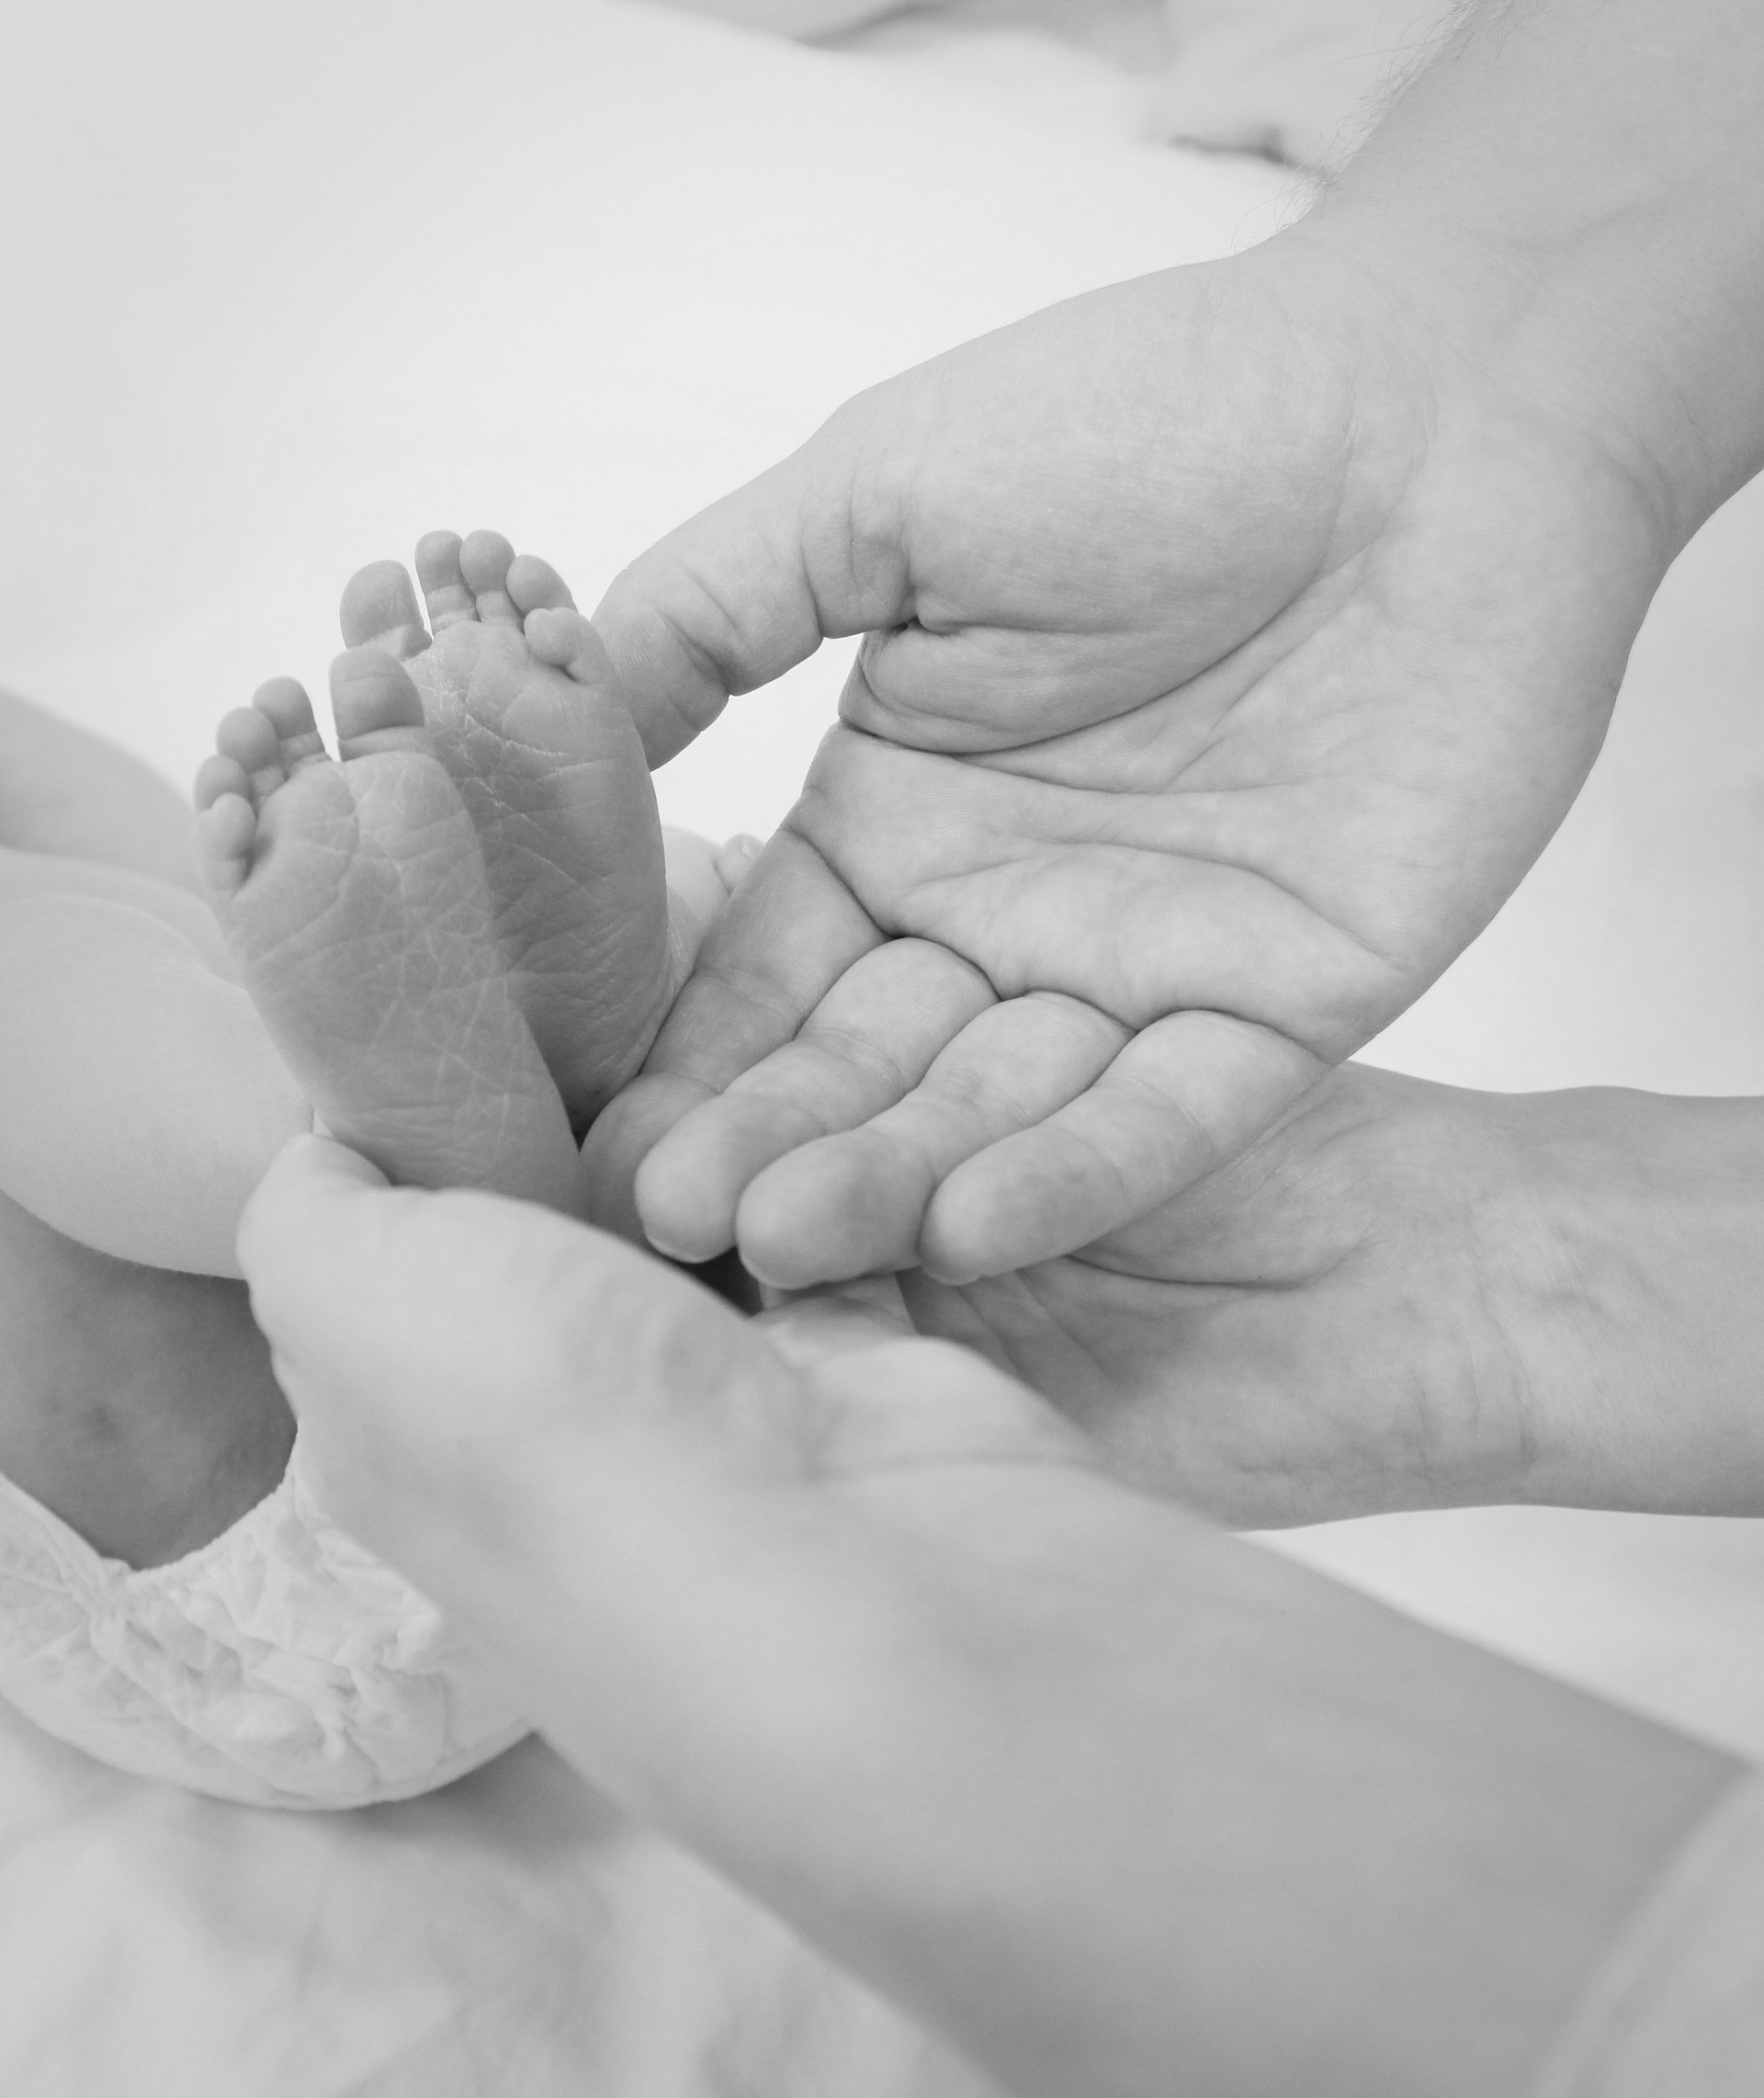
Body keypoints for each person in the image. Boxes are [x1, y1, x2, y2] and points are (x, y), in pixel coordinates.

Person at [236, 0, 1764, 2085]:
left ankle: (489, 1116)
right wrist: (1462, 364)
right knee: (162, 1039)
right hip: (452, 1492)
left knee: (150, 1063)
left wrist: (1472, 345)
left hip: (401, 1495)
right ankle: (521, 1080)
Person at [0, 531, 746, 1808]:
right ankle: (382, 1125)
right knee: (72, 950)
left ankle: (478, 1098)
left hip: (455, 1512)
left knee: (149, 928)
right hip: (252, 1546)